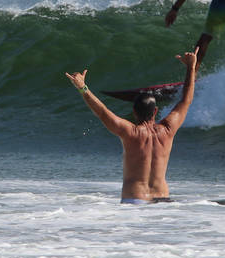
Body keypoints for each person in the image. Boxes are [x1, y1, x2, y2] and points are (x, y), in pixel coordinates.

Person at [65, 49, 198, 203]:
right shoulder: (167, 130)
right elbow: (186, 100)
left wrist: (83, 88)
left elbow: (102, 111)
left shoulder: (130, 132)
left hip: (136, 201)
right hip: (163, 201)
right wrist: (191, 67)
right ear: (155, 111)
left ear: (134, 112)